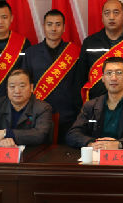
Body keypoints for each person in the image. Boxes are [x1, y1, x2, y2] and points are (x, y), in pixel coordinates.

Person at [66, 57, 123, 149]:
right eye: (109, 73)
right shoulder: (90, 106)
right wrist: (92, 144)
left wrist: (120, 144)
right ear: (103, 78)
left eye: (119, 73)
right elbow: (72, 134)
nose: (113, 78)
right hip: (97, 155)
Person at [23, 9, 82, 143]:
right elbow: (25, 84)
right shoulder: (31, 53)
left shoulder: (74, 52)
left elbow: (78, 84)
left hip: (68, 116)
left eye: (58, 24)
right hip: (38, 116)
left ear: (64, 28)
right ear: (44, 26)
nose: (53, 29)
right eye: (49, 24)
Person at [80, 0, 123, 102]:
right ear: (102, 17)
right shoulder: (89, 43)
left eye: (116, 13)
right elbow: (80, 77)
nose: (111, 17)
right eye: (107, 13)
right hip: (97, 103)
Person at [0, 68, 53, 147]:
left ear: (31, 88)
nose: (17, 91)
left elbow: (39, 135)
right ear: (7, 89)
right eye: (12, 86)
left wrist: (6, 133)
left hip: (32, 154)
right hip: (1, 153)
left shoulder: (42, 108)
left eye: (22, 86)